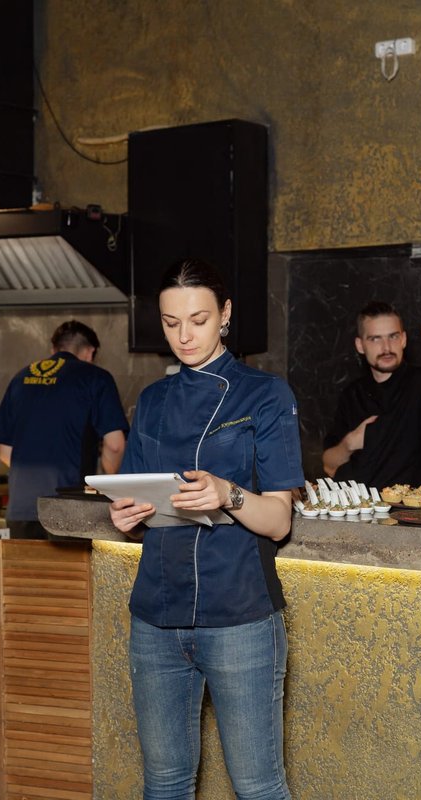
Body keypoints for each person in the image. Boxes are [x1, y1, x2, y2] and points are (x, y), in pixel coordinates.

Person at [109, 259, 304, 800]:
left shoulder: (266, 395)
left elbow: (279, 521)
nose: (184, 336)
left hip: (239, 614)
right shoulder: (151, 401)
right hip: (156, 615)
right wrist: (126, 518)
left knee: (258, 787)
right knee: (164, 783)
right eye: (171, 323)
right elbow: (141, 503)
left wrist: (227, 493)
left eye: (197, 320)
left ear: (225, 314)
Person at [0, 320, 129, 539]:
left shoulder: (20, 378)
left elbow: (5, 453)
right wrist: (110, 486)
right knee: (73, 565)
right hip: (69, 508)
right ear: (90, 352)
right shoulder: (95, 377)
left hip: (21, 510)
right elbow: (115, 445)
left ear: (53, 349)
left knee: (23, 564)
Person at [322, 301, 421, 490]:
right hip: (354, 505)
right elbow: (329, 465)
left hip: (408, 506)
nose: (386, 347)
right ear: (360, 345)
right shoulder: (352, 394)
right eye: (375, 339)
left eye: (393, 336)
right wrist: (349, 443)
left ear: (403, 339)